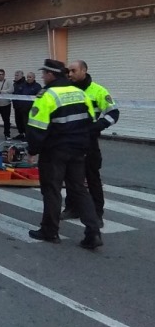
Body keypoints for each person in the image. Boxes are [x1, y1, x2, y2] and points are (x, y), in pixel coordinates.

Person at [26, 59, 102, 249]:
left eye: (44, 73)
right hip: (79, 150)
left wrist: (33, 150)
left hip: (55, 151)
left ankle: (50, 231)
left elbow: (37, 127)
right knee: (79, 189)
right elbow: (91, 119)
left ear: (52, 75)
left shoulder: (47, 95)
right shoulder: (79, 92)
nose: (42, 76)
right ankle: (93, 232)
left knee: (52, 190)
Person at [62, 60, 120, 227]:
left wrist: (97, 126)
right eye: (69, 71)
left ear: (84, 71)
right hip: (70, 141)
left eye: (73, 71)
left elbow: (113, 112)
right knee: (72, 177)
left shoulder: (98, 90)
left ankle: (97, 213)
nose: (70, 74)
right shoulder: (68, 90)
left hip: (89, 142)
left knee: (92, 177)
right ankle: (72, 208)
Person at [13, 71, 42, 140]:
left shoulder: (37, 86)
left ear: (34, 78)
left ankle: (28, 137)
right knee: (20, 122)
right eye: (27, 77)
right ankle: (21, 134)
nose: (28, 78)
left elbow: (40, 98)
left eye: (30, 77)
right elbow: (17, 95)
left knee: (28, 124)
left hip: (32, 110)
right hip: (21, 108)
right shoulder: (23, 85)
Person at [0, 68, 12, 140]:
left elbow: (11, 90)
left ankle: (7, 135)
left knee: (6, 120)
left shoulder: (8, 82)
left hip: (6, 105)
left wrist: (1, 91)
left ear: (4, 75)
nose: (0, 76)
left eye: (2, 74)